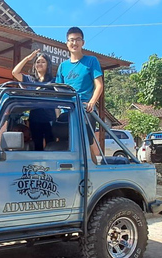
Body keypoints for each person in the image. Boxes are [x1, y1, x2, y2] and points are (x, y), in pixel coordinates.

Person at [56, 26, 103, 162]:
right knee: (65, 145)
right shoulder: (63, 66)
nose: (74, 43)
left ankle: (94, 174)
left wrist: (92, 102)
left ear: (83, 42)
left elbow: (99, 85)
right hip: (67, 111)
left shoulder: (91, 61)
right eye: (71, 40)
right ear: (67, 43)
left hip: (84, 110)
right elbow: (58, 91)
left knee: (86, 146)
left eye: (78, 40)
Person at [12, 49, 55, 150]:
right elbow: (14, 72)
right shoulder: (30, 80)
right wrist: (28, 58)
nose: (40, 64)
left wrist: (57, 119)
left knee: (51, 146)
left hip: (50, 119)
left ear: (48, 65)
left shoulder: (53, 81)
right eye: (37, 62)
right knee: (37, 147)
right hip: (35, 119)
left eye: (43, 62)